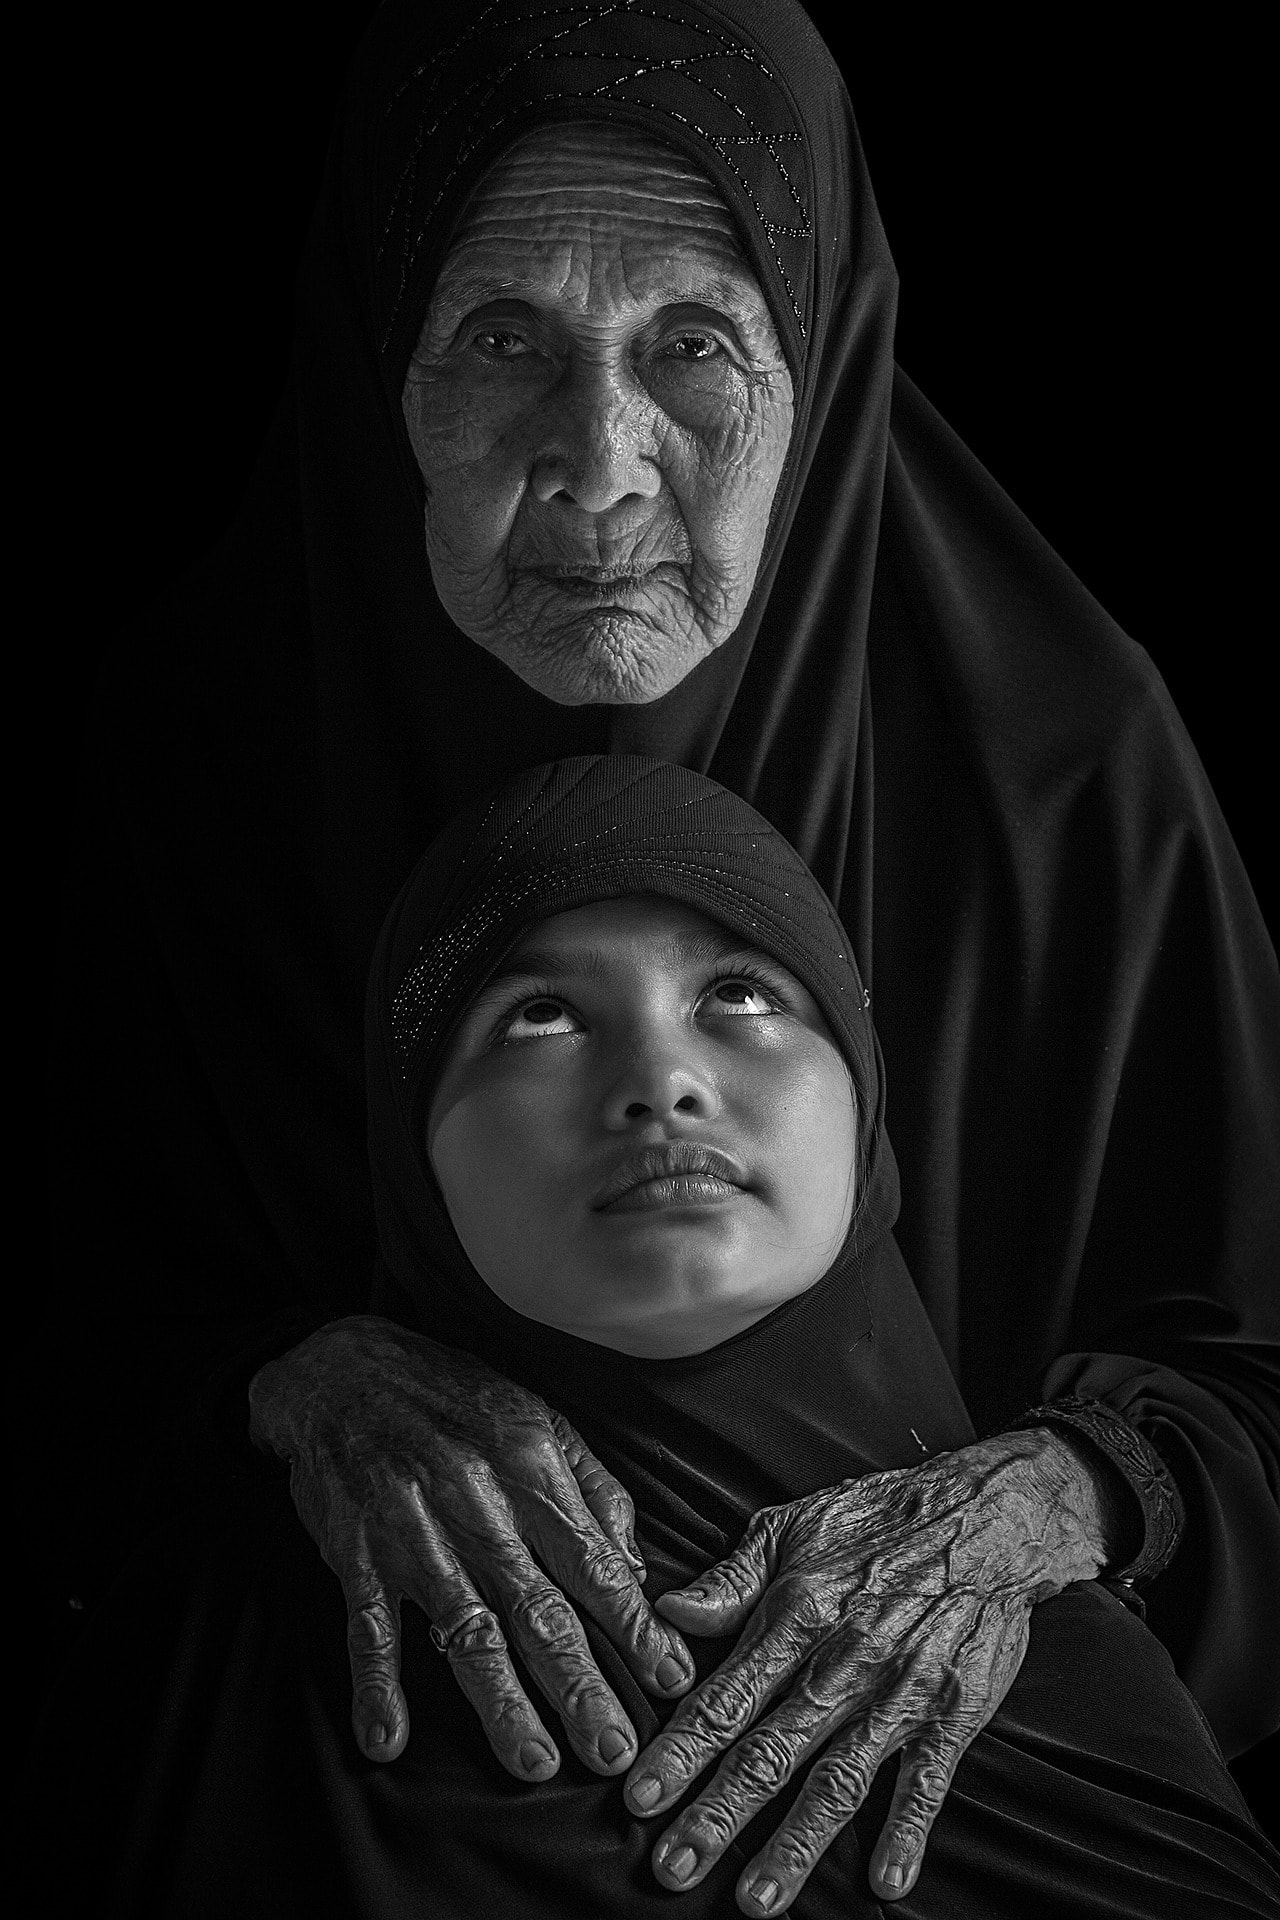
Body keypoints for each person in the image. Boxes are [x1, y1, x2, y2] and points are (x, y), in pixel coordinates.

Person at [34, 0, 1278, 1895]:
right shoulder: (193, 764)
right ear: (380, 373)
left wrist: (1061, 1498)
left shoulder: (1056, 770)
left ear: (822, 363)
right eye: (499, 339)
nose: (601, 466)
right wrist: (286, 1382)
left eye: (694, 345)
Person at [78, 754, 1280, 1915]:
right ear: (413, 1158)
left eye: (742, 996)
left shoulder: (1087, 1699)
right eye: (538, 1016)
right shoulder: (226, 1671)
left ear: (863, 1105)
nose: (660, 1080)